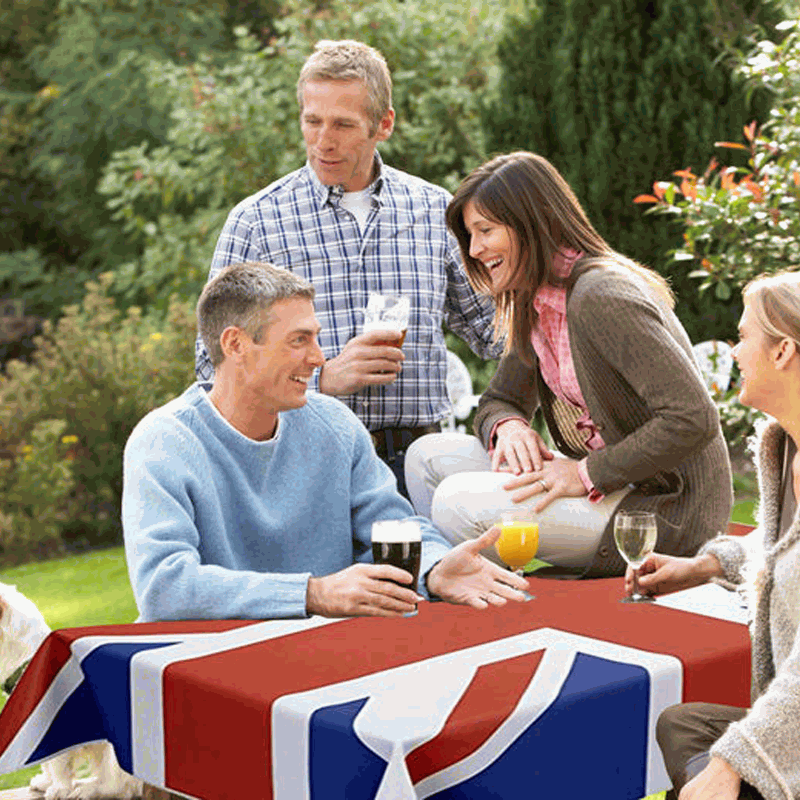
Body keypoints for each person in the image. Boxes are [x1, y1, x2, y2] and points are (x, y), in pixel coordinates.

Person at [123, 262, 527, 622]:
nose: (319, 358)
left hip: (319, 659)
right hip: (201, 672)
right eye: (299, 340)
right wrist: (314, 594)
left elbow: (394, 525)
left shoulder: (333, 423)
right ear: (236, 345)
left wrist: (435, 568)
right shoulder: (164, 442)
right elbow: (163, 587)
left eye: (315, 339)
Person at [194, 39, 500, 497]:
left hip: (416, 465)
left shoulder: (436, 211)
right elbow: (211, 365)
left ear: (384, 124)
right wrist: (323, 379)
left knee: (428, 571)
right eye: (312, 121)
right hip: (302, 462)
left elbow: (496, 332)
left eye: (342, 124)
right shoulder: (257, 222)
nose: (323, 141)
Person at [405, 151, 733, 577]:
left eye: (485, 230)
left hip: (664, 505)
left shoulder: (602, 296)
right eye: (470, 234)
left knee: (456, 502)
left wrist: (587, 473)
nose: (474, 249)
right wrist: (510, 426)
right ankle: (490, 591)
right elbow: (499, 399)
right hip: (610, 485)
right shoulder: (535, 300)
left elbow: (693, 417)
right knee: (427, 456)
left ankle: (496, 606)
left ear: (532, 223)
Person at [635, 271, 800, 800]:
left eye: (743, 335)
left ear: (783, 352)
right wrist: (703, 566)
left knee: (715, 761)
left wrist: (735, 763)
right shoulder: (784, 448)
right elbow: (784, 549)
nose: (733, 351)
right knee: (683, 724)